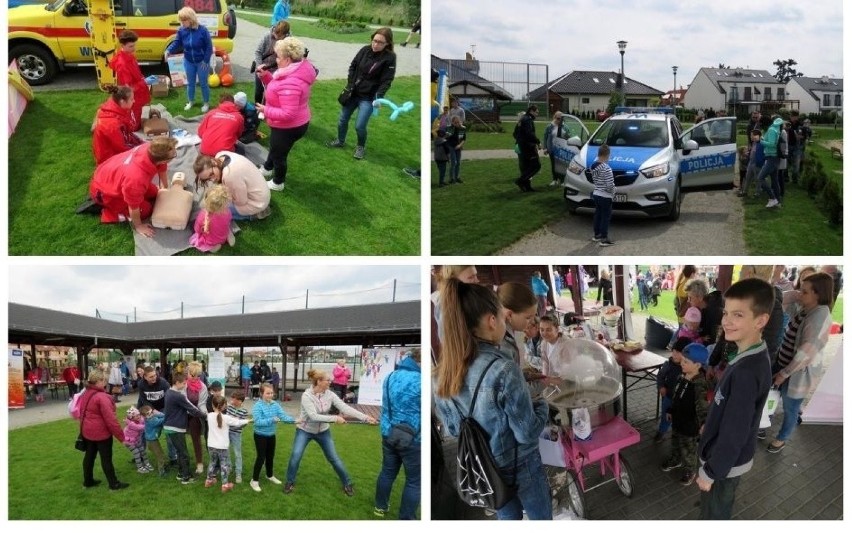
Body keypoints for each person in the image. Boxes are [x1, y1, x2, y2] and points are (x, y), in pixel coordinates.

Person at [433, 279, 552, 520]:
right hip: (521, 464)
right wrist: (542, 406)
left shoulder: (440, 375)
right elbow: (526, 433)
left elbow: (454, 429)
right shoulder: (504, 370)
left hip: (485, 468)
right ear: (491, 321)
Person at [696, 278, 773, 520]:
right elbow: (729, 409)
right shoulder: (748, 354)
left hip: (723, 467)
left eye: (738, 315)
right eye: (726, 313)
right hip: (721, 459)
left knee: (715, 513)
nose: (726, 321)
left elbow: (734, 434)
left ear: (760, 321)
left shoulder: (747, 372)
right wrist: (711, 425)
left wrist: (710, 472)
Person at [767, 272, 833, 454]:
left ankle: (782, 438)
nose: (799, 293)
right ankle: (764, 422)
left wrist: (783, 373)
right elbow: (781, 301)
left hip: (796, 374)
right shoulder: (807, 307)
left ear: (818, 294)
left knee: (791, 407)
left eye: (804, 291)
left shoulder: (818, 316)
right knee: (773, 396)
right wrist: (797, 294)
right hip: (783, 364)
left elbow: (806, 353)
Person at [284, 369, 376, 496]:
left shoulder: (330, 394)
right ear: (319, 381)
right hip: (305, 430)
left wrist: (366, 417)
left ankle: (347, 483)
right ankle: (290, 482)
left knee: (333, 458)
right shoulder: (306, 396)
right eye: (328, 380)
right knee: (296, 456)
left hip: (323, 431)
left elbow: (345, 407)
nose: (330, 382)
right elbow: (313, 416)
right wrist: (335, 418)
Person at [326, 28, 396, 160]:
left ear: (387, 43)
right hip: (353, 93)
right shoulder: (365, 50)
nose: (375, 44)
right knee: (342, 120)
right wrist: (351, 83)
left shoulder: (390, 58)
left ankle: (360, 147)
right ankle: (340, 141)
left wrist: (378, 97)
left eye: (380, 42)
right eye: (374, 41)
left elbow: (387, 80)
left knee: (360, 126)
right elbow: (353, 66)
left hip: (369, 98)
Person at [256, 37, 316, 191]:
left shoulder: (292, 82)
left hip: (289, 127)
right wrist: (266, 76)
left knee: (279, 155)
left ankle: (278, 182)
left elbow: (288, 113)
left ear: (288, 59)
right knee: (276, 148)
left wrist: (265, 110)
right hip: (289, 124)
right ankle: (267, 168)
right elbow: (278, 87)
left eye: (278, 56)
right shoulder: (293, 71)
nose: (276, 59)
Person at [88, 137, 177, 236]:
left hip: (112, 177)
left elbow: (162, 168)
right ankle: (111, 211)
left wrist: (165, 188)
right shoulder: (136, 179)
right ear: (163, 160)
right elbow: (133, 206)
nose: (175, 154)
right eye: (174, 155)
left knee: (156, 192)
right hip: (104, 191)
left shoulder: (151, 148)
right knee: (145, 211)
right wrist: (138, 226)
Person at [374, 349, 421, 519]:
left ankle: (380, 507)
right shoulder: (422, 380)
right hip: (414, 438)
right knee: (415, 481)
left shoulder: (389, 377)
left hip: (388, 432)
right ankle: (406, 518)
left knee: (387, 471)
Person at [661, 343, 711, 487]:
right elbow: (676, 396)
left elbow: (702, 408)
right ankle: (675, 459)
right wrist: (670, 410)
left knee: (689, 449)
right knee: (675, 441)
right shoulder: (681, 376)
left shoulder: (700, 385)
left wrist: (703, 424)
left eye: (686, 362)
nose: (681, 363)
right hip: (677, 420)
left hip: (690, 425)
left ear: (697, 365)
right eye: (682, 360)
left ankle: (690, 470)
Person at [78, 369, 129, 491]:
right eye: (104, 380)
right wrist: (122, 437)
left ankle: (88, 481)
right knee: (106, 458)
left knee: (89, 456)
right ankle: (113, 484)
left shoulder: (86, 393)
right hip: (101, 433)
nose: (105, 383)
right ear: (99, 381)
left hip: (87, 431)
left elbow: (81, 412)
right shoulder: (102, 397)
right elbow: (111, 420)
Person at [195, 152, 271, 221]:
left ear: (213, 162)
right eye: (208, 179)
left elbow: (241, 202)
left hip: (257, 202)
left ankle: (255, 214)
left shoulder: (229, 175)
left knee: (214, 210)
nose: (212, 179)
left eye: (211, 174)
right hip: (260, 190)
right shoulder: (220, 154)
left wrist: (224, 197)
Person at [165, 7, 213, 113]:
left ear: (191, 19)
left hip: (202, 62)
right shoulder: (181, 30)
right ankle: (190, 102)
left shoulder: (203, 30)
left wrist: (205, 60)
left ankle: (206, 103)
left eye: (184, 20)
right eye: (181, 20)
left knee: (203, 83)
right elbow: (177, 42)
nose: (182, 23)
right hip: (188, 61)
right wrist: (168, 51)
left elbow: (209, 47)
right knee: (190, 83)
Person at [250, 382, 294, 492]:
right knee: (261, 457)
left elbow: (283, 416)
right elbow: (257, 422)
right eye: (267, 393)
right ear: (261, 393)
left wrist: (295, 421)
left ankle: (269, 475)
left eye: (271, 393)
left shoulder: (275, 404)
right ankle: (254, 481)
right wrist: (271, 420)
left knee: (270, 456)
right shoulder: (257, 406)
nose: (270, 395)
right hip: (260, 435)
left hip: (271, 435)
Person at [164, 371, 206, 484]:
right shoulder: (178, 396)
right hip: (175, 428)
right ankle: (186, 478)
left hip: (170, 427)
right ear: (177, 382)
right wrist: (206, 415)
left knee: (179, 452)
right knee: (184, 454)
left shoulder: (169, 392)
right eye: (183, 383)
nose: (185, 385)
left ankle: (181, 473)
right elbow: (192, 410)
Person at [206, 395, 251, 493]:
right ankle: (225, 485)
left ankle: (209, 480)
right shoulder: (226, 418)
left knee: (212, 463)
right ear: (224, 406)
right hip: (222, 446)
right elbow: (238, 422)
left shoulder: (209, 416)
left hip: (211, 446)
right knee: (224, 465)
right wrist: (249, 420)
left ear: (212, 405)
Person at [91, 85, 144, 165]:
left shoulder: (115, 104)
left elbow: (127, 134)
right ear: (122, 101)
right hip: (108, 158)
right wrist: (141, 149)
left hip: (111, 150)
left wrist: (140, 143)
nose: (134, 101)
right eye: (131, 99)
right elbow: (122, 148)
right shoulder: (112, 125)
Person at [108, 30, 150, 130]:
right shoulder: (122, 65)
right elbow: (128, 89)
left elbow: (136, 72)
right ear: (122, 45)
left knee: (136, 116)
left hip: (135, 96)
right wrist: (145, 82)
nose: (134, 48)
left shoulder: (128, 55)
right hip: (131, 98)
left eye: (134, 45)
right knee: (133, 124)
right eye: (131, 46)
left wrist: (143, 78)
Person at [654, 336, 688, 442]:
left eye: (678, 352)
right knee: (666, 415)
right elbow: (660, 376)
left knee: (680, 418)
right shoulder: (668, 364)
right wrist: (661, 386)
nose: (674, 354)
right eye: (673, 351)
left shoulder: (688, 368)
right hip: (668, 397)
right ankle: (662, 432)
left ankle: (677, 434)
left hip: (682, 400)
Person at [497, 282, 539, 367]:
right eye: (528, 317)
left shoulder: (515, 330)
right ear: (509, 315)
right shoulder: (502, 344)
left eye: (535, 315)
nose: (533, 321)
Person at [252, 20, 291, 104]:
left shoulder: (289, 41)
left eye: (280, 36)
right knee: (259, 91)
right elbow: (258, 52)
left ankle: (267, 110)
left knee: (271, 92)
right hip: (263, 67)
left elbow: (290, 57)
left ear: (285, 34)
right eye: (276, 34)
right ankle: (257, 109)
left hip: (277, 70)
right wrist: (259, 66)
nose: (277, 37)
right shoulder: (267, 36)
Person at [190, 184, 233, 253]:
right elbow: (228, 221)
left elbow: (197, 230)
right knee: (223, 228)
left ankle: (212, 247)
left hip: (211, 241)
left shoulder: (202, 215)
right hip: (222, 236)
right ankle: (227, 237)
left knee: (193, 229)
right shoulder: (227, 211)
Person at [184, 361, 209, 475]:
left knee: (196, 439)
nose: (195, 378)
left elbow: (202, 404)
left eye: (198, 375)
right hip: (182, 414)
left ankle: (199, 463)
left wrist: (205, 415)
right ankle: (180, 460)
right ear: (187, 373)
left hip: (195, 415)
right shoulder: (182, 384)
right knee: (176, 436)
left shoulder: (203, 387)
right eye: (192, 375)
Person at [685, 278, 724, 346]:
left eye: (690, 297)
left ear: (700, 297)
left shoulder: (714, 312)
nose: (688, 301)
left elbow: (713, 340)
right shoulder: (702, 309)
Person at [590, 143, 615, 246]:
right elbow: (609, 185)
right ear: (607, 154)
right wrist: (614, 191)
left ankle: (597, 235)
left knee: (598, 215)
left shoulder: (593, 166)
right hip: (605, 196)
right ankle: (604, 239)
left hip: (596, 193)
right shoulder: (607, 168)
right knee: (606, 217)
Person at [756, 116, 783, 208]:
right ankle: (778, 202)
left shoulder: (771, 130)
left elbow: (772, 144)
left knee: (760, 178)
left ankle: (773, 198)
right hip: (773, 158)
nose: (759, 125)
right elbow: (770, 141)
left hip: (772, 157)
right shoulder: (773, 129)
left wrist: (760, 141)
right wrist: (762, 138)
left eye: (760, 123)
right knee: (775, 181)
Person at [513, 105, 542, 192]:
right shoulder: (528, 120)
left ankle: (527, 187)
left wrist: (520, 140)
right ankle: (520, 181)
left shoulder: (522, 120)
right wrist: (537, 142)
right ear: (531, 111)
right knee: (536, 165)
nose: (537, 114)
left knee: (526, 167)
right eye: (536, 112)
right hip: (528, 147)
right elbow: (529, 134)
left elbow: (515, 134)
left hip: (521, 147)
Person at [226, 390, 250, 483]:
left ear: (240, 401)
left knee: (237, 454)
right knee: (226, 451)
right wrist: (233, 421)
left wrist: (237, 423)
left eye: (234, 399)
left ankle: (238, 473)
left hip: (236, 434)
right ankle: (228, 468)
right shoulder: (229, 407)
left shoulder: (244, 411)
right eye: (232, 398)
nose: (231, 400)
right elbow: (227, 419)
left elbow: (243, 424)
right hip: (227, 432)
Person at [123, 406, 153, 473]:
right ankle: (140, 468)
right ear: (132, 418)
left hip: (137, 440)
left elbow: (143, 419)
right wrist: (149, 423)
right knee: (137, 453)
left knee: (143, 451)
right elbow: (140, 427)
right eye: (136, 416)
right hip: (129, 442)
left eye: (139, 415)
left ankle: (147, 463)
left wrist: (146, 417)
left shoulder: (139, 419)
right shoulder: (131, 424)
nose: (139, 416)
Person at [139, 405, 167, 476]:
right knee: (160, 456)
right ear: (144, 416)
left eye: (151, 412)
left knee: (160, 453)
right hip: (152, 441)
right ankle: (162, 471)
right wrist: (159, 414)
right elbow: (163, 419)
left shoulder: (150, 418)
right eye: (148, 414)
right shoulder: (152, 420)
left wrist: (157, 414)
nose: (151, 414)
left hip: (151, 440)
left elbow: (161, 417)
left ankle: (163, 467)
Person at [543, 111, 569, 186]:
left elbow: (569, 137)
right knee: (554, 165)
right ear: (554, 117)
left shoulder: (565, 127)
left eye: (561, 119)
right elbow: (545, 138)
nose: (559, 120)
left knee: (562, 165)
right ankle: (554, 180)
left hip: (562, 150)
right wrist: (545, 148)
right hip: (553, 149)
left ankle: (562, 180)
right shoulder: (549, 127)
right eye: (558, 118)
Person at [738, 129, 765, 198]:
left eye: (752, 135)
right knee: (748, 178)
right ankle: (745, 192)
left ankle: (757, 193)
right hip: (751, 162)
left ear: (757, 136)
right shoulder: (754, 142)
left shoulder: (762, 143)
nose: (750, 137)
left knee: (757, 179)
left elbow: (762, 154)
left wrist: (759, 163)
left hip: (757, 164)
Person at [445, 115, 467, 184]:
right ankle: (451, 179)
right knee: (454, 162)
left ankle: (457, 177)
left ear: (460, 121)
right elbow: (446, 138)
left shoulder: (462, 128)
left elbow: (464, 139)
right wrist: (448, 133)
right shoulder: (449, 128)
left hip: (458, 147)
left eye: (458, 122)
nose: (457, 123)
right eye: (455, 122)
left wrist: (460, 145)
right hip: (451, 146)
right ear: (452, 122)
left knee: (458, 163)